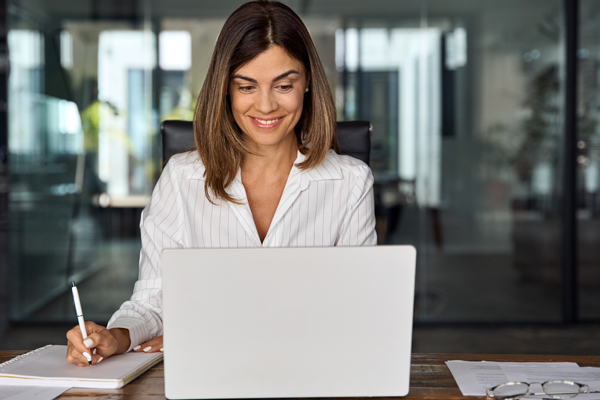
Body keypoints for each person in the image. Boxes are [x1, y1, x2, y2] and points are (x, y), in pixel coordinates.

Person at [66, 0, 376, 368]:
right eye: (246, 86)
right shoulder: (181, 178)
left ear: (307, 83)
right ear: (225, 90)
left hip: (312, 371)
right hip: (209, 373)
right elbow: (153, 300)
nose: (265, 105)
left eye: (284, 85)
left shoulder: (351, 181)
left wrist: (206, 333)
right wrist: (116, 338)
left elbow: (358, 309)